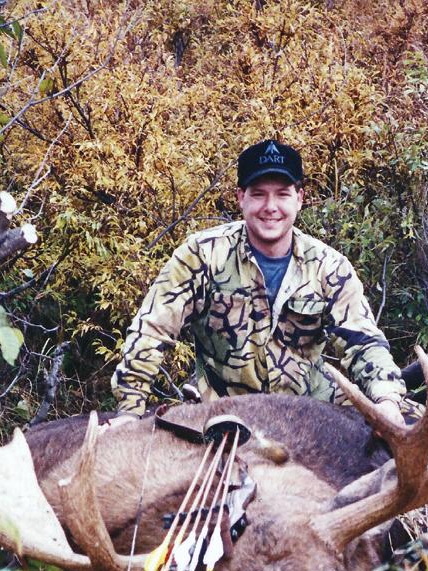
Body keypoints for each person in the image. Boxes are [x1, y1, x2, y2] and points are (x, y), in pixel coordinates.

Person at [112, 140, 409, 425]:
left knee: (417, 426)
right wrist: (129, 412)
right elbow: (151, 330)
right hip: (225, 413)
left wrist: (387, 400)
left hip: (313, 412)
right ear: (240, 197)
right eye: (258, 194)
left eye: (282, 194)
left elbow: (364, 341)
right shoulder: (201, 255)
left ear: (299, 198)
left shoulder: (328, 267)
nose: (270, 206)